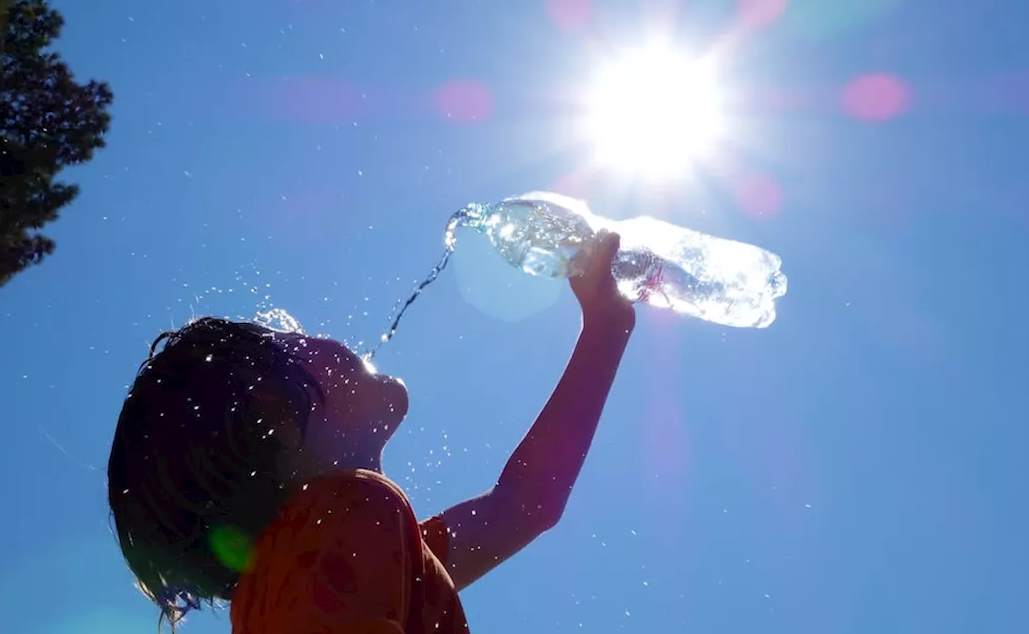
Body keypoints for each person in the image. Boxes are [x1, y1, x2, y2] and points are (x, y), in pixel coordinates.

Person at [107, 231, 636, 633]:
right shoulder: (351, 513)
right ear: (278, 417)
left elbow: (526, 502)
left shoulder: (339, 564)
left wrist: (606, 329)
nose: (316, 334)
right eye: (291, 339)